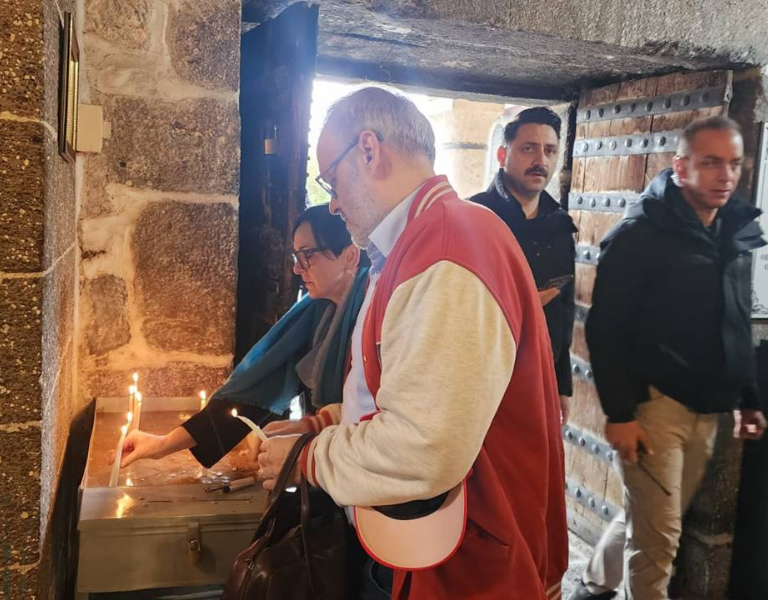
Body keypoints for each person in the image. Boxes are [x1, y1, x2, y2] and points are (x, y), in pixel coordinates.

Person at [257, 86, 568, 600]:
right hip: (433, 539)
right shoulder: (426, 238)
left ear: (370, 151)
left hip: (466, 558)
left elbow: (424, 447)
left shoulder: (446, 251)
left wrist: (309, 456)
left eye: (332, 180)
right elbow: (413, 389)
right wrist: (326, 420)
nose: (333, 202)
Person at [570, 116, 768, 600]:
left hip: (710, 406)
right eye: (710, 163)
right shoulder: (640, 234)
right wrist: (620, 413)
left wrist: (746, 397)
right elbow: (607, 327)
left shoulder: (734, 231)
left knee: (657, 519)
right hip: (655, 404)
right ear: (680, 167)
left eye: (734, 164)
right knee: (660, 544)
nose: (726, 175)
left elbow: (736, 320)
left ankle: (593, 584)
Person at [118, 204, 369, 469]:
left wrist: (309, 426)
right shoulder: (317, 311)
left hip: (357, 472)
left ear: (350, 256)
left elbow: (376, 412)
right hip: (326, 461)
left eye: (307, 255)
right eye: (296, 256)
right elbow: (257, 387)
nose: (297, 269)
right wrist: (164, 444)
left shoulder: (376, 312)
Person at [470, 107, 576, 420]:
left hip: (538, 381)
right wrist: (524, 302)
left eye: (550, 150)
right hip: (479, 383)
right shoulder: (473, 218)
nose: (540, 161)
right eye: (528, 148)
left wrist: (561, 384)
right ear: (503, 155)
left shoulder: (560, 226)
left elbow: (562, 312)